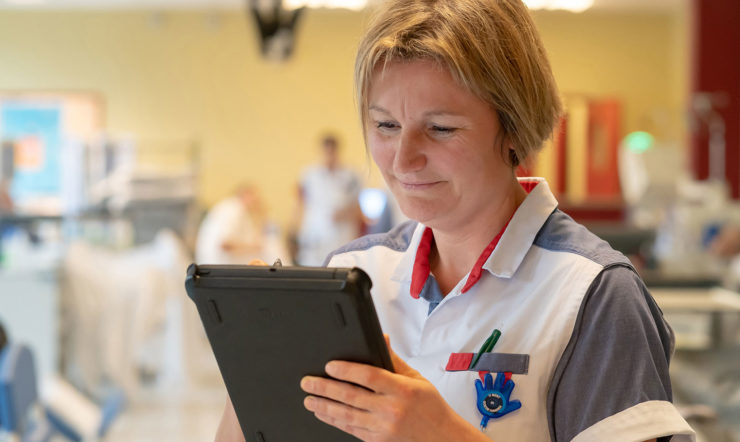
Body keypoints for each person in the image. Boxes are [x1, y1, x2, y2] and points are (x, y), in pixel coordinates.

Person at [216, 0, 695, 441]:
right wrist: (254, 373)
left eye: (440, 129)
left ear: (515, 128)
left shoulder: (594, 295)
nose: (403, 160)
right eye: (385, 125)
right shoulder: (353, 272)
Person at [296, 134, 363, 266]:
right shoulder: (309, 175)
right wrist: (296, 229)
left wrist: (345, 213)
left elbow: (357, 205)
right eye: (326, 151)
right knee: (312, 269)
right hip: (315, 233)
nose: (329, 155)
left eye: (332, 151)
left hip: (342, 234)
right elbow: (301, 202)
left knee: (341, 266)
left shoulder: (351, 174)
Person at [195, 184, 274, 265]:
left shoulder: (231, 208)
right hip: (218, 265)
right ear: (246, 195)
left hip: (212, 263)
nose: (257, 201)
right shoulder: (234, 210)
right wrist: (253, 247)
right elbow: (225, 244)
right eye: (255, 197)